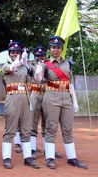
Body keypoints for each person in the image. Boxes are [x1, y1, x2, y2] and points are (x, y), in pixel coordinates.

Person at [35, 36, 88, 169]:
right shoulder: (44, 64)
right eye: (53, 47)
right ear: (50, 49)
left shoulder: (67, 64)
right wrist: (37, 72)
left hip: (66, 97)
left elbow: (70, 84)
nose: (56, 50)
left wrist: (74, 101)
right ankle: (50, 158)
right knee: (51, 127)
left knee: (68, 129)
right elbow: (39, 78)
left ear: (61, 49)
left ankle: (72, 158)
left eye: (58, 47)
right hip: (51, 97)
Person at [1, 41, 39, 169]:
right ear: (9, 53)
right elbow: (9, 69)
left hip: (25, 98)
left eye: (17, 52)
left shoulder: (25, 67)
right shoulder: (6, 65)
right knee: (10, 129)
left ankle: (27, 158)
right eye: (12, 52)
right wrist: (15, 64)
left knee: (26, 129)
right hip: (12, 98)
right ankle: (6, 158)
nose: (14, 54)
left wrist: (27, 63)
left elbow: (36, 77)